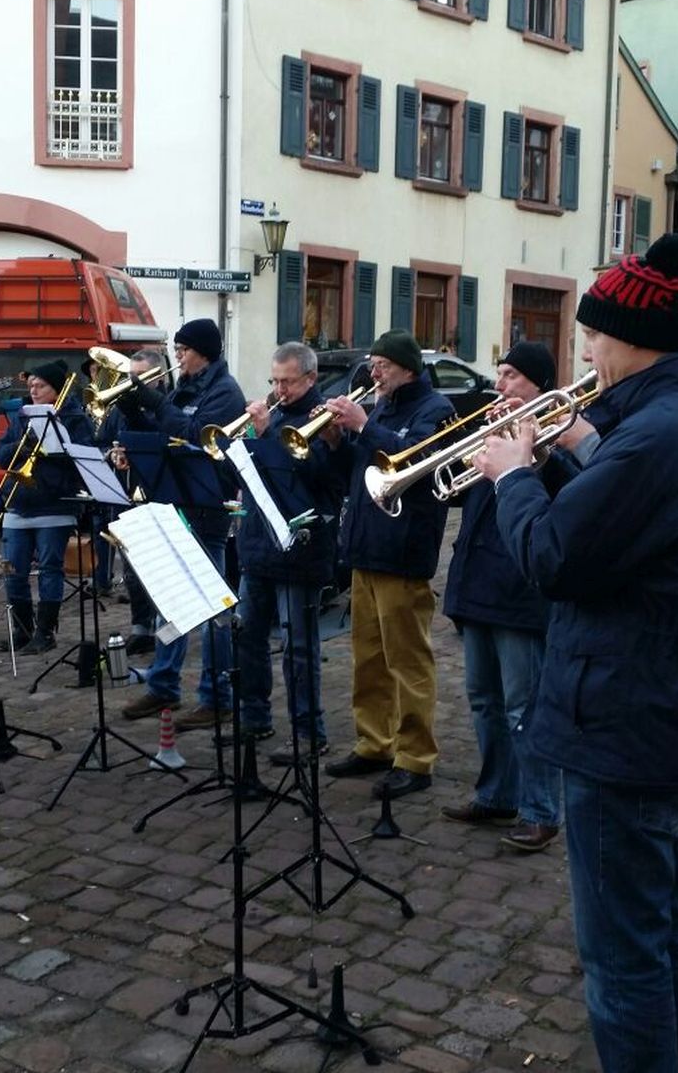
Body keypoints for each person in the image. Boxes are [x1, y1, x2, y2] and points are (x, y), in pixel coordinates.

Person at [475, 233, 678, 1073]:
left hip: (629, 728)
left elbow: (554, 557)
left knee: (627, 957)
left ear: (626, 338)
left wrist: (512, 472)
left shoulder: (661, 434)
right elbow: (627, 518)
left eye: (590, 335)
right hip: (677, 725)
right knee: (671, 941)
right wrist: (569, 448)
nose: (582, 352)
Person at [441, 342, 561, 849]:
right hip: (477, 584)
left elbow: (562, 501)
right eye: (500, 374)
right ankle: (496, 794)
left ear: (536, 384)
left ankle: (540, 809)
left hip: (519, 592)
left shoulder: (556, 435)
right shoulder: (492, 430)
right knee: (483, 700)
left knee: (524, 707)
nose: (500, 385)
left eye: (511, 376)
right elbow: (464, 498)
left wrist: (533, 454)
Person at [324, 330, 453, 800]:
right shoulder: (381, 408)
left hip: (403, 552)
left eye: (382, 365)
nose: (373, 373)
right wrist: (339, 441)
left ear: (408, 369)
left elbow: (414, 460)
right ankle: (373, 742)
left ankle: (415, 757)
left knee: (408, 660)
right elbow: (357, 475)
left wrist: (363, 426)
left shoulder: (434, 409)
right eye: (372, 364)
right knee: (369, 658)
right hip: (366, 549)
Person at [121, 320, 245, 730]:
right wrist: (133, 411)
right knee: (171, 605)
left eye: (183, 350)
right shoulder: (183, 388)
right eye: (176, 350)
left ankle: (217, 696)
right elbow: (160, 436)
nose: (178, 358)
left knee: (212, 609)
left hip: (207, 508)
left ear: (204, 352)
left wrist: (155, 404)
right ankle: (164, 683)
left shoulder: (224, 393)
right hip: (175, 504)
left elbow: (192, 434)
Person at [236, 342, 343, 765]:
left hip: (302, 548)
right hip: (259, 542)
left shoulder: (324, 419)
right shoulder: (276, 412)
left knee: (298, 647)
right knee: (249, 636)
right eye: (274, 381)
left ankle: (309, 732)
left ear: (310, 379)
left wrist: (264, 435)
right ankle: (256, 717)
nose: (279, 390)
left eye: (288, 381)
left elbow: (321, 477)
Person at [0, 362, 96, 654]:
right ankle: (22, 630)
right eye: (31, 386)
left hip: (55, 504)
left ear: (56, 388)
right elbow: (2, 453)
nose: (33, 391)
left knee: (51, 568)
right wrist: (22, 449)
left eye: (40, 386)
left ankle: (45, 632)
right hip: (20, 503)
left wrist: (53, 449)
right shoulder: (23, 415)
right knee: (12, 570)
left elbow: (85, 457)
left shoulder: (75, 416)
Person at [99, 347, 172, 651]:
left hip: (158, 493)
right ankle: (140, 628)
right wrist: (111, 454)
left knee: (161, 568)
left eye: (140, 377)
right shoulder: (118, 408)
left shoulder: (166, 406)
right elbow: (101, 441)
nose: (133, 382)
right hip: (125, 493)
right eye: (131, 376)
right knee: (131, 568)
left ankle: (164, 629)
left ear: (157, 376)